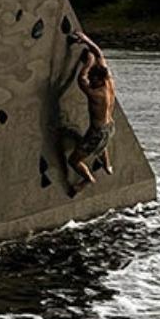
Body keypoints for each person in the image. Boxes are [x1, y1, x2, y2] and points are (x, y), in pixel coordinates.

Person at [68, 30, 116, 196]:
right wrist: (85, 39)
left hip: (97, 133)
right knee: (102, 143)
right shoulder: (109, 80)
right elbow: (99, 53)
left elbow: (81, 80)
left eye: (93, 78)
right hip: (109, 126)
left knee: (74, 160)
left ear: (98, 79)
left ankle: (87, 180)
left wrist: (87, 64)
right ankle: (107, 165)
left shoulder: (96, 94)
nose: (91, 80)